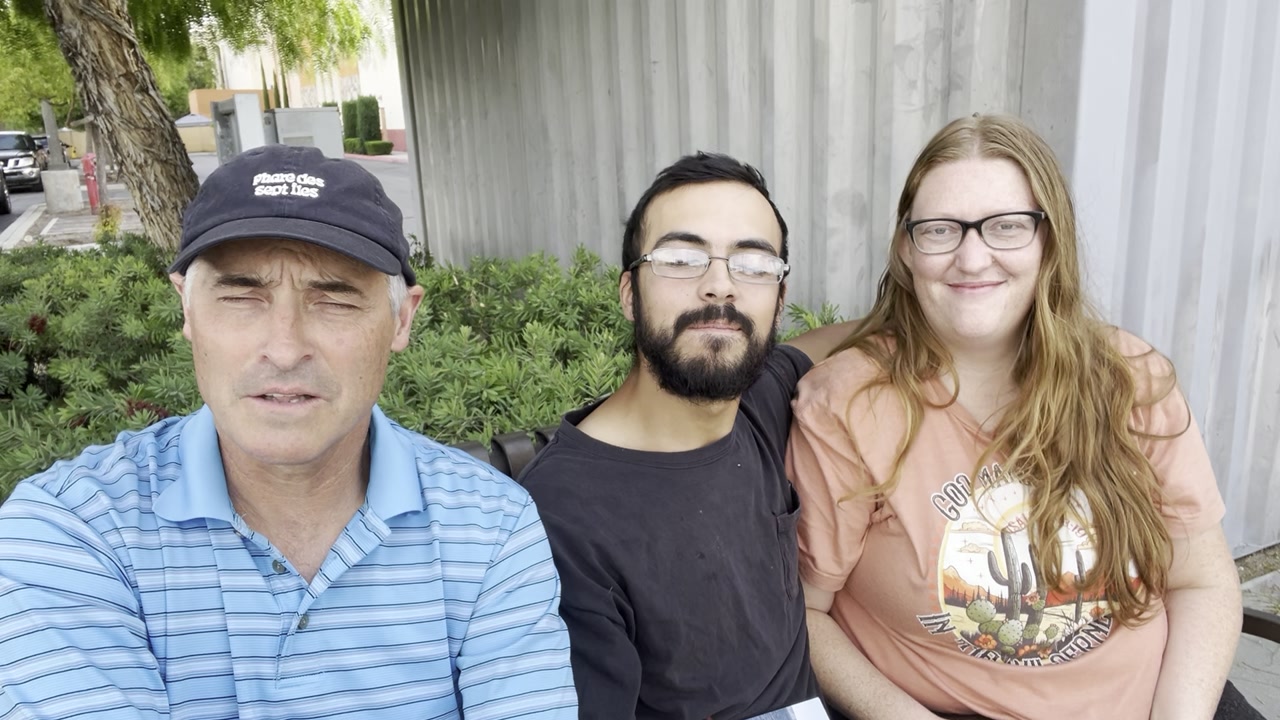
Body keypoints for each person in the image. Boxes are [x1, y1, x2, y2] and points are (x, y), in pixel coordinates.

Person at [0, 144, 577, 719]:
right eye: (241, 297)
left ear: (402, 318)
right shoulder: (69, 531)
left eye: (335, 300)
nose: (283, 348)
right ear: (187, 309)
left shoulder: (490, 524)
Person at [787, 114, 1257, 720]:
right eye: (940, 230)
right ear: (907, 249)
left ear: (1048, 241)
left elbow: (1201, 581)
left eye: (1006, 226)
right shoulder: (850, 405)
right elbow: (806, 611)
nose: (972, 257)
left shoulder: (1130, 380)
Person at [520, 152, 850, 720]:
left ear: (779, 301)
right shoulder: (560, 519)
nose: (720, 286)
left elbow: (831, 342)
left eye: (753, 265)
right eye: (680, 259)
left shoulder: (758, 403)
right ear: (630, 294)